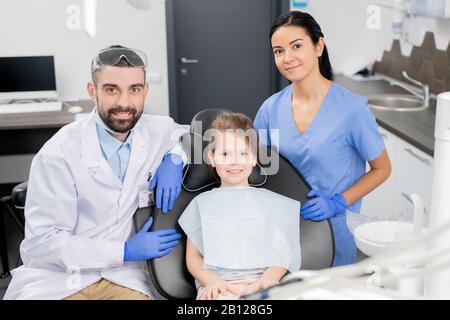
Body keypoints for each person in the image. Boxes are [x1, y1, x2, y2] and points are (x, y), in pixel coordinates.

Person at [4, 45, 190, 300]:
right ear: (93, 91)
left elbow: (195, 135)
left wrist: (176, 157)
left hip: (126, 277)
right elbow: (44, 242)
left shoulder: (158, 129)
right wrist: (125, 250)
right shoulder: (58, 154)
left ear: (145, 91)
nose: (125, 102)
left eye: (134, 89)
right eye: (112, 89)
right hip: (59, 279)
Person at [254, 11, 392, 266]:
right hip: (283, 234)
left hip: (334, 233)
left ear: (319, 46)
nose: (287, 58)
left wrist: (339, 202)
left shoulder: (351, 110)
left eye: (297, 46)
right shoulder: (270, 110)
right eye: (278, 51)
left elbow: (382, 169)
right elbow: (261, 170)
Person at [178, 113, 301, 300]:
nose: (234, 161)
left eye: (243, 153)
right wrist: (212, 282)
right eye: (225, 154)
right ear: (212, 157)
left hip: (262, 283)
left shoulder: (272, 204)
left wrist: (269, 278)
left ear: (253, 158)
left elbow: (283, 252)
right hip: (220, 288)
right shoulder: (201, 205)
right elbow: (193, 258)